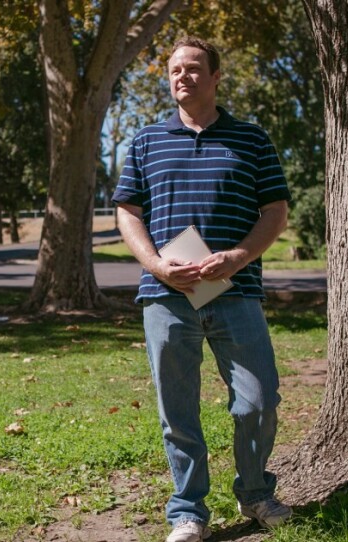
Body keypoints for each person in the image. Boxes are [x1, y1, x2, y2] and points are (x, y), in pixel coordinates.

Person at [112, 36, 292, 542]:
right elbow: (128, 211)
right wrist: (155, 264)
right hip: (166, 296)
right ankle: (187, 511)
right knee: (178, 411)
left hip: (236, 293)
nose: (182, 77)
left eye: (193, 68)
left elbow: (275, 210)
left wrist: (238, 257)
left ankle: (254, 492)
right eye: (173, 70)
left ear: (215, 77)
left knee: (258, 402)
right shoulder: (147, 140)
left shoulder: (252, 139)